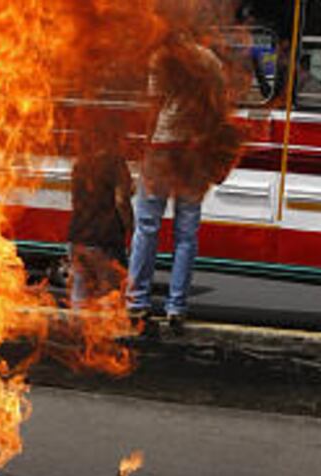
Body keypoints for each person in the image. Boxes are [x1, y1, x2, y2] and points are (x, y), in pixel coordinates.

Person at [126, 30, 229, 334]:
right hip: (194, 152)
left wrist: (145, 149)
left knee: (147, 227)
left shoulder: (161, 57)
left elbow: (155, 109)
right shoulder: (209, 60)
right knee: (186, 233)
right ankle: (176, 306)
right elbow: (219, 107)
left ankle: (137, 301)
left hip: (162, 149)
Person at [67, 115, 134, 309]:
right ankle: (104, 337)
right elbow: (121, 200)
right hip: (105, 239)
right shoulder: (115, 163)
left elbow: (76, 201)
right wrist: (132, 228)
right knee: (108, 298)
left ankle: (75, 332)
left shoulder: (80, 164)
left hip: (77, 238)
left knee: (79, 296)